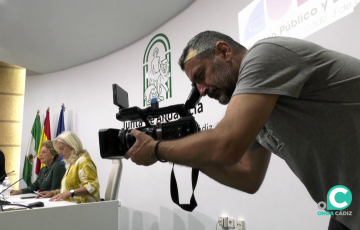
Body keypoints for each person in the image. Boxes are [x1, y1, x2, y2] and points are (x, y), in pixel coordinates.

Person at [124, 31, 360, 230]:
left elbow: (225, 145)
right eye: (195, 85)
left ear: (224, 51)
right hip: (346, 206)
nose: (202, 90)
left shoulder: (264, 55)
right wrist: (180, 153)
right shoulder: (257, 110)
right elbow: (249, 177)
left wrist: (157, 150)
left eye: (200, 75)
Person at [40, 131, 100, 203]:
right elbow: (69, 190)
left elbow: (92, 186)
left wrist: (70, 193)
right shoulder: (71, 163)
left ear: (72, 146)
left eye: (62, 148)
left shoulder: (83, 161)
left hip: (85, 208)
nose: (59, 152)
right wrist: (54, 193)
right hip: (72, 207)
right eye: (59, 150)